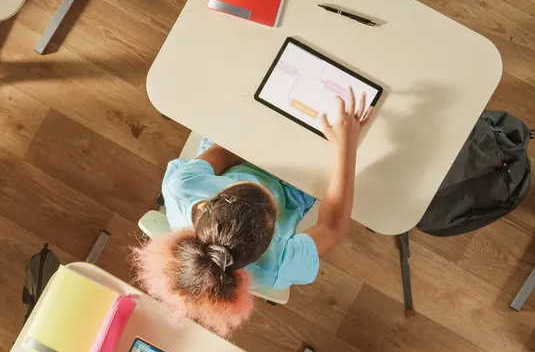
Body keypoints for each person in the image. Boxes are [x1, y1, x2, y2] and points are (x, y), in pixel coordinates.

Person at [133, 91, 373, 335]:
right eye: (270, 206)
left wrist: (266, 126)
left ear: (207, 204)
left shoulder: (181, 189)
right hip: (291, 192)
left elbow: (223, 152)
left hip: (234, 156)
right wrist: (347, 147)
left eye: (252, 189)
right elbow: (332, 227)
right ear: (271, 240)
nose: (263, 187)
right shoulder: (277, 267)